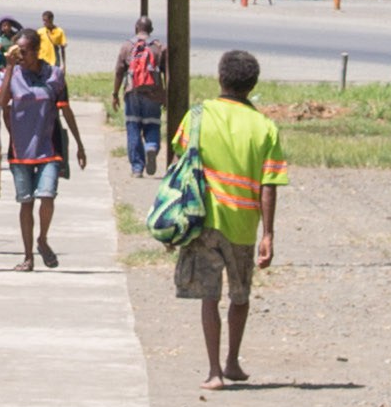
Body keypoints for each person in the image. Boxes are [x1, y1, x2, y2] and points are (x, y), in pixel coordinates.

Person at [176, 49, 289, 386]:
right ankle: (232, 362)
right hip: (243, 226)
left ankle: (213, 373)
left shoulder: (197, 116)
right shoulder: (265, 127)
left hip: (203, 223)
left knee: (209, 297)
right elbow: (269, 185)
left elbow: (181, 164)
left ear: (220, 78)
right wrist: (268, 234)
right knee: (239, 297)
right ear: (252, 86)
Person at [0, 30, 84, 270]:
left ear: (37, 51)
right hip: (20, 149)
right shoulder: (12, 74)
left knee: (46, 196)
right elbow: (2, 101)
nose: (21, 56)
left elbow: (66, 110)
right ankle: (28, 256)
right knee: (26, 203)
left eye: (25, 51)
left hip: (48, 147)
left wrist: (79, 144)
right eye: (18, 51)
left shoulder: (54, 75)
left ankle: (42, 239)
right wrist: (8, 69)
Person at [114, 19, 167, 174]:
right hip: (153, 93)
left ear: (136, 27)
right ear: (151, 29)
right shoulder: (159, 47)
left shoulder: (127, 46)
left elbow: (119, 71)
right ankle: (151, 147)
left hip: (133, 92)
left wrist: (115, 93)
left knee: (133, 127)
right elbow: (167, 73)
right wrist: (165, 95)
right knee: (152, 125)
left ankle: (137, 168)